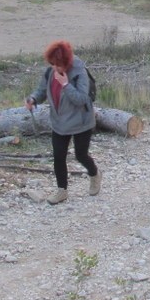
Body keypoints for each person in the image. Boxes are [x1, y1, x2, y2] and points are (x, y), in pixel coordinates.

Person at [25, 40, 100, 204]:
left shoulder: (79, 71)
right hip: (59, 121)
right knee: (58, 156)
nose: (55, 68)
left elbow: (81, 99)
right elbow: (42, 90)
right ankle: (62, 190)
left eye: (58, 65)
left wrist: (65, 84)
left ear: (67, 62)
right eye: (52, 64)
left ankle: (94, 174)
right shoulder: (51, 71)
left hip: (81, 122)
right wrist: (33, 98)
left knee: (81, 155)